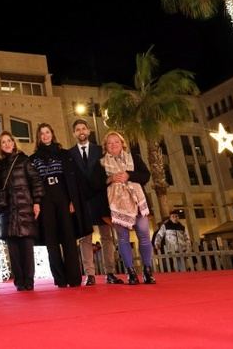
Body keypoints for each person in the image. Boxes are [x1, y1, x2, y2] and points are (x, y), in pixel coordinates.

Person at [30, 123, 93, 288]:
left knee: (68, 237)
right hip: (45, 198)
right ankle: (60, 279)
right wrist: (36, 202)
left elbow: (73, 180)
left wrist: (73, 200)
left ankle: (74, 278)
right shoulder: (34, 158)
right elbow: (33, 182)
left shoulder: (64, 154)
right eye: (42, 133)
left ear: (52, 134)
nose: (45, 135)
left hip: (63, 196)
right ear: (38, 137)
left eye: (47, 132)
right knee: (51, 241)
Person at [92, 131, 155, 285]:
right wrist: (110, 178)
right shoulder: (100, 163)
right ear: (105, 146)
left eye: (116, 142)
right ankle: (131, 272)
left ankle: (148, 271)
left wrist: (129, 175)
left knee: (144, 236)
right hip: (116, 206)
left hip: (137, 202)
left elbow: (145, 176)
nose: (113, 145)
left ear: (122, 144)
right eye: (110, 143)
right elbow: (95, 185)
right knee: (123, 239)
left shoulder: (134, 158)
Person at [69, 119, 124, 286]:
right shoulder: (69, 154)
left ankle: (110, 273)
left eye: (83, 128)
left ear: (89, 130)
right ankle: (90, 275)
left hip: (101, 199)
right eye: (77, 129)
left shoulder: (100, 150)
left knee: (107, 237)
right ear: (74, 133)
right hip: (82, 201)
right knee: (85, 238)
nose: (81, 131)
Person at [0, 131, 44, 291]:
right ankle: (19, 281)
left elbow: (36, 181)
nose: (7, 144)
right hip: (7, 211)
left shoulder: (24, 160)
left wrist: (36, 202)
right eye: (3, 142)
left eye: (9, 141)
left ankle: (29, 280)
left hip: (24, 207)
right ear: (0, 146)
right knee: (13, 250)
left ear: (14, 143)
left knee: (27, 248)